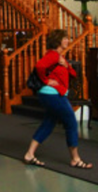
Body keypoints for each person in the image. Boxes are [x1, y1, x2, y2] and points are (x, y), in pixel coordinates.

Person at [23, 29, 93, 170]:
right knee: (71, 123)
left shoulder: (60, 57)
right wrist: (47, 81)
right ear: (58, 41)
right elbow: (39, 66)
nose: (68, 40)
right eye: (65, 38)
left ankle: (29, 154)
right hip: (52, 94)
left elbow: (73, 74)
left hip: (53, 94)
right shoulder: (53, 55)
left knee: (49, 123)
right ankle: (75, 159)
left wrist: (66, 65)